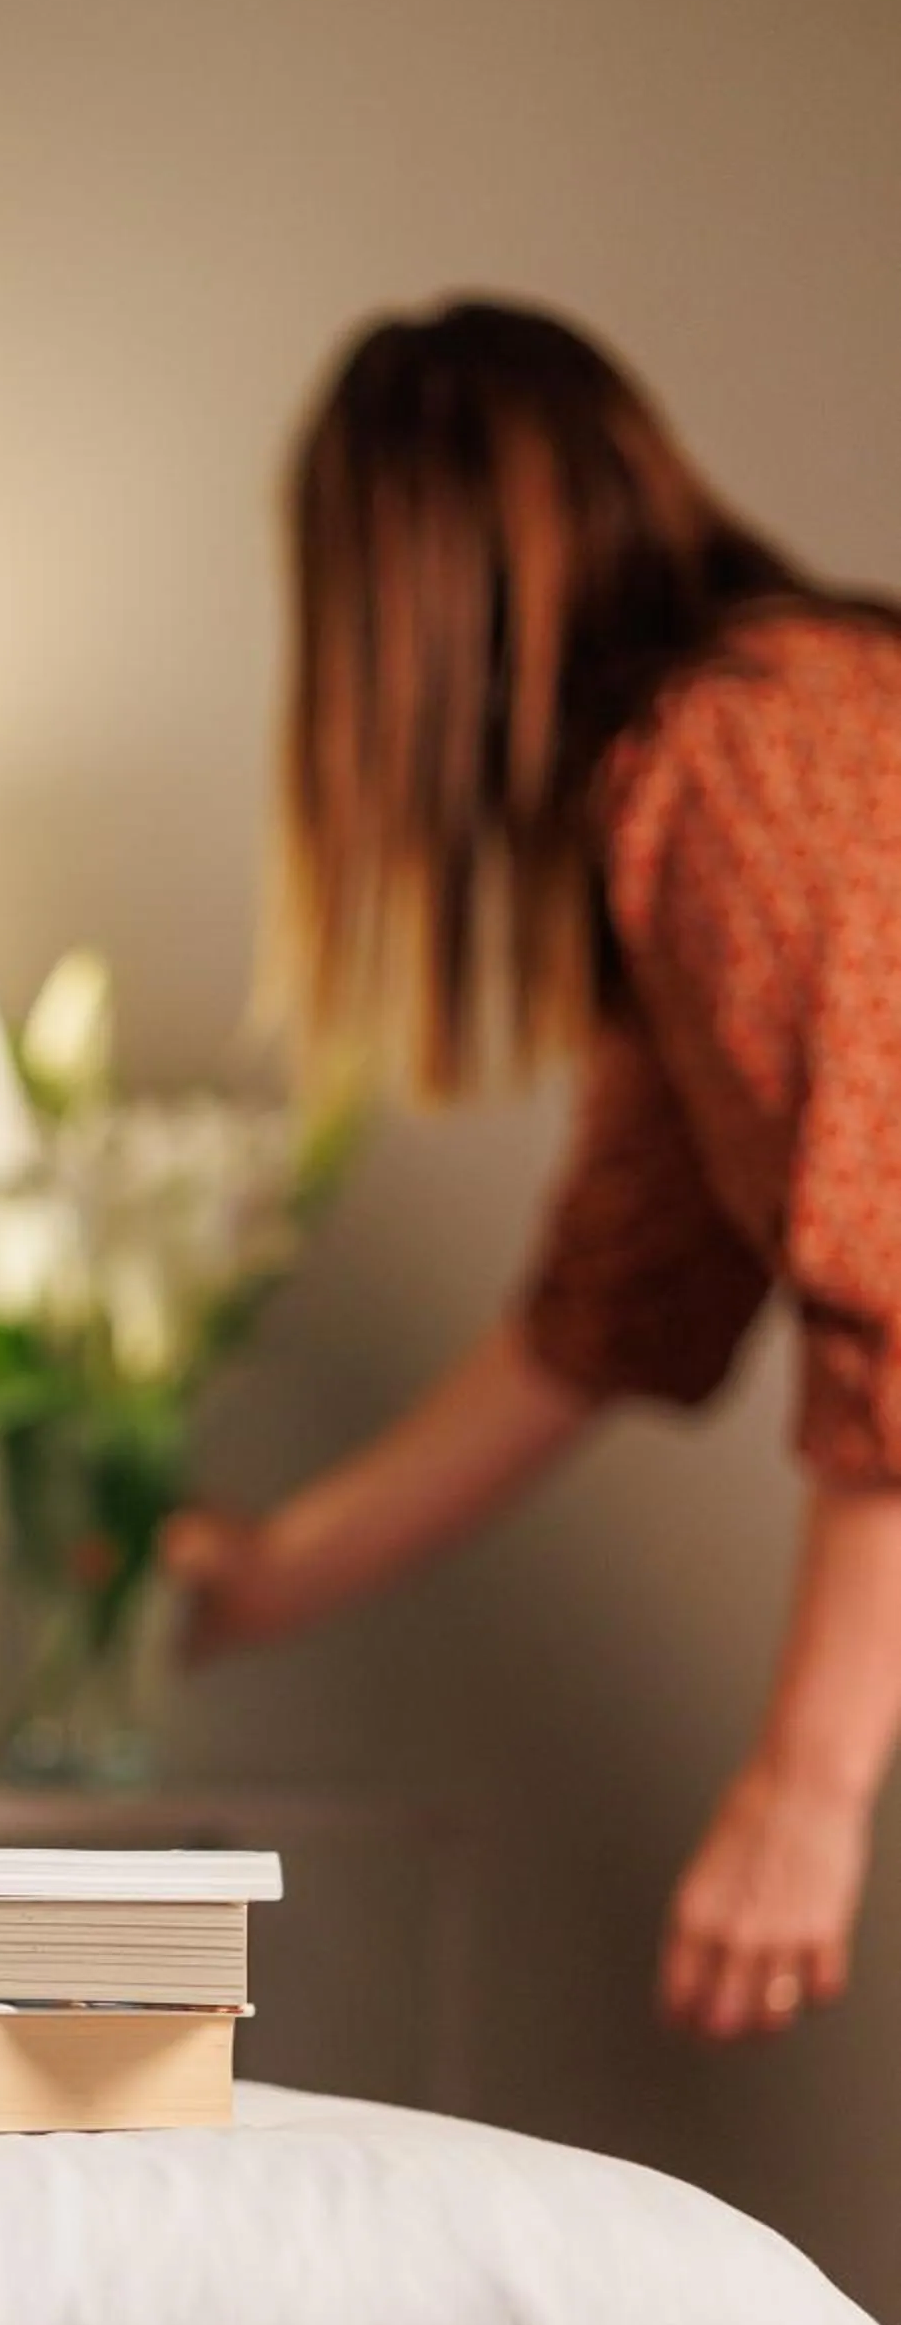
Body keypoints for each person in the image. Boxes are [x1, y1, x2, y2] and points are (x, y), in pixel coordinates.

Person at [163, 298, 901, 2046]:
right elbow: (602, 1318)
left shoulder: (739, 760)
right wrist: (271, 1573)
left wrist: (802, 1791)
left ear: (400, 606)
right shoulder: (743, 760)